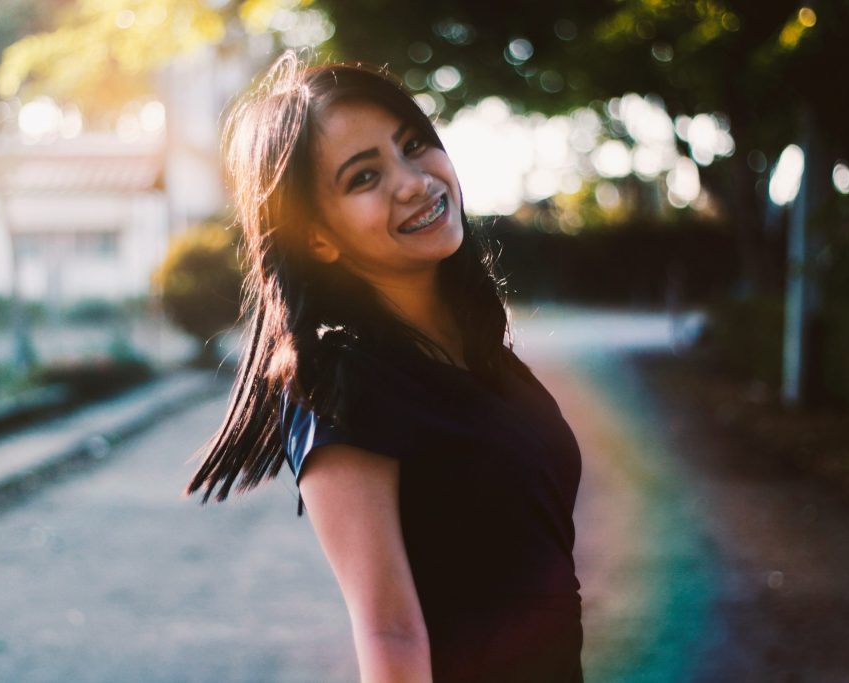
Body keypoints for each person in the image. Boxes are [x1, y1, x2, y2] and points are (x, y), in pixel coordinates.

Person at [185, 50, 584, 683]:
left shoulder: (481, 354)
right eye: (363, 177)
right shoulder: (344, 385)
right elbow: (389, 632)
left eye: (414, 144)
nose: (412, 181)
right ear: (318, 236)